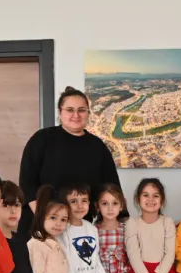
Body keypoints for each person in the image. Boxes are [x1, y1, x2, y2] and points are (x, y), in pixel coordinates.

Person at [18, 86, 122, 236]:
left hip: (81, 227)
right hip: (40, 224)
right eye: (70, 110)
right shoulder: (42, 139)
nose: (76, 115)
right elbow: (27, 183)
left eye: (81, 110)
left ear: (88, 113)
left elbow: (111, 189)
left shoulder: (97, 146)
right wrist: (45, 218)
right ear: (60, 112)